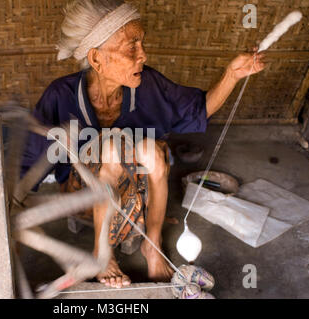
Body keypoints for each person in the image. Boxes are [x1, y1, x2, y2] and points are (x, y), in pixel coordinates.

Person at [21, 0, 265, 289]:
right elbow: (27, 159)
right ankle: (103, 254)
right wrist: (10, 209)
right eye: (131, 48)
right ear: (97, 59)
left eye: (142, 44)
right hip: (83, 197)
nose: (143, 55)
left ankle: (153, 245)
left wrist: (232, 75)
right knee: (111, 148)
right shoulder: (61, 95)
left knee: (152, 151)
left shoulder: (148, 85)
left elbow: (198, 108)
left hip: (140, 193)